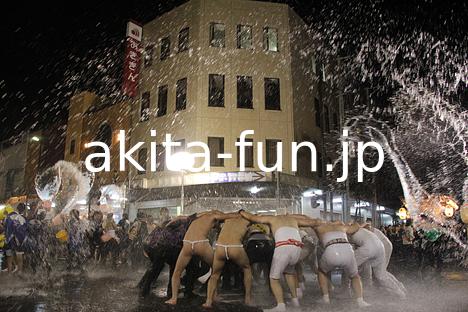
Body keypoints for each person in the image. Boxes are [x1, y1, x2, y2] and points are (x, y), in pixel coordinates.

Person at [239, 210, 322, 312]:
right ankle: (295, 302)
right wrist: (319, 221)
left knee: (274, 278)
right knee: (289, 273)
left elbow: (253, 218)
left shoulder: (273, 218)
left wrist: (241, 212)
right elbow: (313, 222)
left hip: (283, 247)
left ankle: (280, 306)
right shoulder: (293, 219)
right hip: (297, 248)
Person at [165, 210, 239, 305]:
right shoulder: (213, 216)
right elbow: (230, 215)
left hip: (187, 243)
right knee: (216, 269)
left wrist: (168, 224)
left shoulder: (196, 217)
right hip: (201, 243)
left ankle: (173, 299)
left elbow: (179, 217)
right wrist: (240, 213)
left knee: (177, 272)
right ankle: (212, 297)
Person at [314, 220, 370, 308]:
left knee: (321, 272)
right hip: (347, 249)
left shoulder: (321, 227)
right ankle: (360, 301)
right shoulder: (342, 227)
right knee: (355, 276)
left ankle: (325, 298)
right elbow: (356, 227)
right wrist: (355, 223)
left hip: (331, 250)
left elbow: (306, 222)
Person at [203, 216, 252, 308]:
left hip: (220, 247)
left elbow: (217, 225)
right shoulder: (246, 221)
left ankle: (208, 301)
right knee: (247, 268)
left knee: (214, 275)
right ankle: (248, 299)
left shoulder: (227, 219)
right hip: (235, 247)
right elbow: (245, 238)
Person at [350, 226, 406, 298]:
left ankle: (361, 289)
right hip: (380, 246)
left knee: (379, 273)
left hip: (381, 246)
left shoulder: (358, 228)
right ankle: (399, 290)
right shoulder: (363, 230)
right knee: (381, 273)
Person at [5, 203, 28, 273]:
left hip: (9, 239)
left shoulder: (9, 216)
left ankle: (9, 273)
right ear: (24, 210)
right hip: (18, 240)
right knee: (19, 254)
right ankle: (19, 271)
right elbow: (25, 230)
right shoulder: (23, 219)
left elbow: (5, 226)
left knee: (9, 257)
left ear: (17, 208)